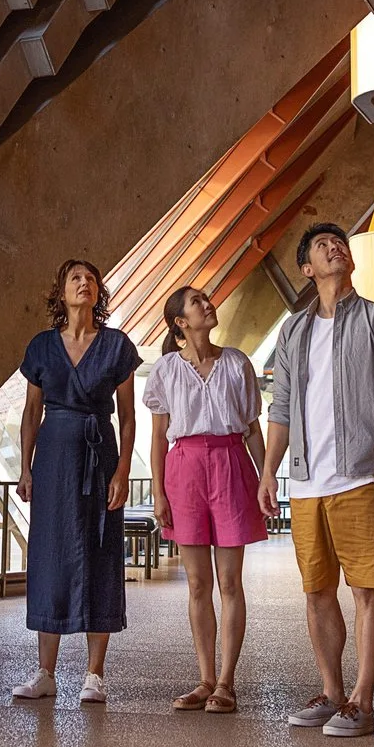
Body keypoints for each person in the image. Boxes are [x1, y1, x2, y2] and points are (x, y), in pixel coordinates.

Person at [258, 221, 374, 738]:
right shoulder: (293, 332)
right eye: (323, 245)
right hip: (306, 483)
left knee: (367, 591)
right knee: (317, 592)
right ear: (307, 268)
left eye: (339, 242)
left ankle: (362, 699)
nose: (335, 247)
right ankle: (330, 691)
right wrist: (269, 473)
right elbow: (280, 409)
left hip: (364, 478)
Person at [9, 258, 138, 704]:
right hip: (54, 459)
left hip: (98, 455)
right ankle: (45, 672)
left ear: (99, 291)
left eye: (90, 279)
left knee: (100, 552)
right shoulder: (42, 346)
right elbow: (31, 413)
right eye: (75, 279)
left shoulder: (117, 345)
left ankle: (94, 674)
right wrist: (25, 467)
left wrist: (122, 470)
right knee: (50, 555)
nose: (84, 284)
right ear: (61, 292)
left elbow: (127, 417)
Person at [144, 285, 266, 714]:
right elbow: (158, 436)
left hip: (232, 463)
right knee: (198, 583)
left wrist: (265, 476)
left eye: (206, 299)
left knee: (231, 582)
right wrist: (158, 491)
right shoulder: (165, 370)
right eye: (197, 302)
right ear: (180, 322)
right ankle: (204, 678)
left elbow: (252, 427)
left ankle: (227, 683)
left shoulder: (236, 363)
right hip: (185, 469)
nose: (207, 304)